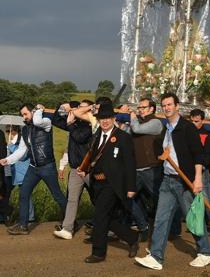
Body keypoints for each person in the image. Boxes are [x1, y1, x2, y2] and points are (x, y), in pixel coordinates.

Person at [135, 93, 210, 270]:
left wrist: (198, 178)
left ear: (177, 106)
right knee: (161, 219)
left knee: (192, 219)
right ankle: (156, 257)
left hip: (185, 182)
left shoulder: (187, 128)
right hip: (168, 180)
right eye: (164, 105)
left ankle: (205, 252)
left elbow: (198, 155)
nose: (167, 108)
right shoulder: (166, 128)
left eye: (170, 104)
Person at [77, 103, 139, 263]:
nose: (105, 121)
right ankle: (132, 237)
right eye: (102, 118)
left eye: (108, 118)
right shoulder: (96, 136)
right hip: (96, 183)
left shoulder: (123, 137)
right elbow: (92, 156)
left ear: (114, 118)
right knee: (106, 218)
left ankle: (98, 253)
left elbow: (130, 164)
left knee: (99, 216)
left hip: (112, 184)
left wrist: (131, 187)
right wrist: (85, 169)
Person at [0, 104, 67, 235]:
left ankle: (70, 221)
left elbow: (37, 120)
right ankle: (23, 225)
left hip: (47, 167)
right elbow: (22, 150)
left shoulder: (46, 123)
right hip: (33, 168)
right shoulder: (25, 130)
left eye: (25, 114)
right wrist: (8, 160)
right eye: (22, 115)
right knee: (24, 193)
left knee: (57, 195)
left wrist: (39, 110)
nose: (23, 117)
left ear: (33, 112)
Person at [52, 100, 94, 240]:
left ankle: (110, 226)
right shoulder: (75, 122)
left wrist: (70, 124)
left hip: (89, 169)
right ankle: (67, 228)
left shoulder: (90, 125)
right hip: (75, 169)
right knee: (72, 199)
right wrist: (63, 106)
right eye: (77, 108)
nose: (77, 111)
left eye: (81, 109)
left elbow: (79, 137)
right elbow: (56, 120)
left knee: (99, 199)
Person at [126, 97, 164, 242]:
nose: (140, 109)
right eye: (139, 107)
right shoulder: (137, 121)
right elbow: (127, 134)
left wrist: (132, 118)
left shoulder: (155, 122)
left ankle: (172, 228)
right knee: (127, 197)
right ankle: (143, 227)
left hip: (151, 169)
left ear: (151, 109)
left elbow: (136, 129)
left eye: (143, 107)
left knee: (161, 200)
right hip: (136, 169)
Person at [189, 108, 210, 236]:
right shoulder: (186, 133)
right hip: (187, 170)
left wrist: (202, 165)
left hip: (202, 172)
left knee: (206, 199)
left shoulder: (207, 136)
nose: (194, 124)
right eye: (191, 121)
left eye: (196, 121)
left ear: (202, 121)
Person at [0, 126, 35, 225]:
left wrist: (10, 145)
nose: (8, 133)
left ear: (16, 130)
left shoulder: (22, 140)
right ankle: (3, 216)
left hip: (21, 172)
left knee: (25, 194)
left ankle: (30, 217)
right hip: (10, 172)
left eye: (10, 130)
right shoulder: (10, 141)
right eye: (7, 131)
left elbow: (22, 156)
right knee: (5, 193)